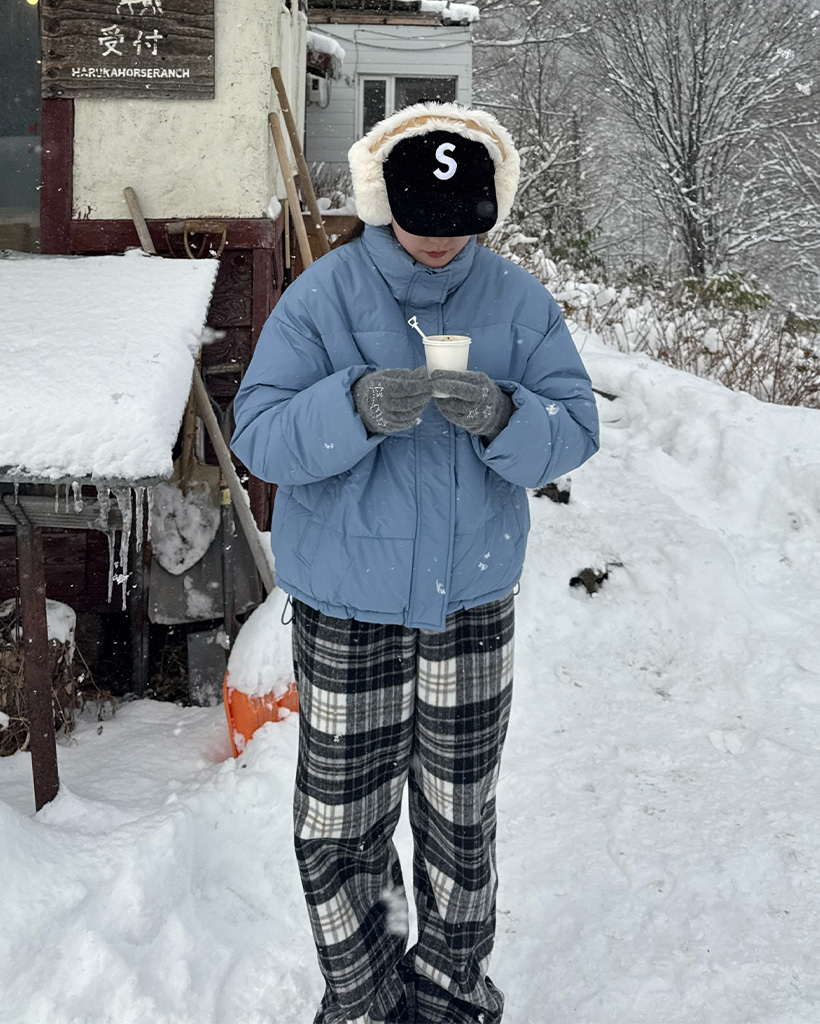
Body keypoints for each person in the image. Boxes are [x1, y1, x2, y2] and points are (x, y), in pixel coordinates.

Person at [231, 102, 600, 1024]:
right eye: (418, 223)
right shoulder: (323, 297)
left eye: (458, 226)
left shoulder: (518, 301)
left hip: (470, 602)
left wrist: (510, 417)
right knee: (341, 825)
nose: (437, 244)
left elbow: (576, 428)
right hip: (345, 606)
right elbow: (260, 435)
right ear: (381, 202)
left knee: (457, 822)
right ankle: (365, 994)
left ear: (489, 211)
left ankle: (448, 990)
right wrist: (351, 405)